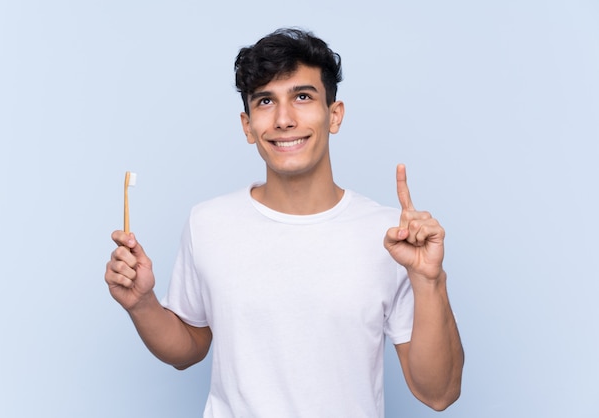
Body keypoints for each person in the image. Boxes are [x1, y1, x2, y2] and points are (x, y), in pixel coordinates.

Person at [105, 28, 464, 417]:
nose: (283, 119)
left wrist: (430, 281)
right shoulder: (207, 223)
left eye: (303, 97)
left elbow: (439, 394)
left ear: (335, 114)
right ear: (247, 126)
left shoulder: (393, 238)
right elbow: (189, 348)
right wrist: (142, 305)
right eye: (265, 101)